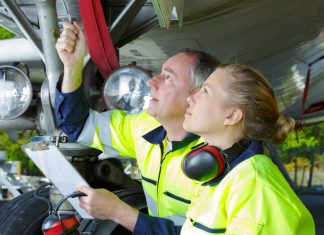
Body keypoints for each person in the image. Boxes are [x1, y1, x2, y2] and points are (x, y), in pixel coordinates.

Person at [54, 22, 220, 232]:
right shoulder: (145, 127)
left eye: (168, 77)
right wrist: (73, 66)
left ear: (196, 95)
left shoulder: (216, 159)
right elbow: (77, 125)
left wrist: (117, 211)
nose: (151, 82)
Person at [178, 64, 315, 234]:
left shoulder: (255, 187)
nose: (190, 98)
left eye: (205, 91)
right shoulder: (224, 174)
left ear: (232, 116)